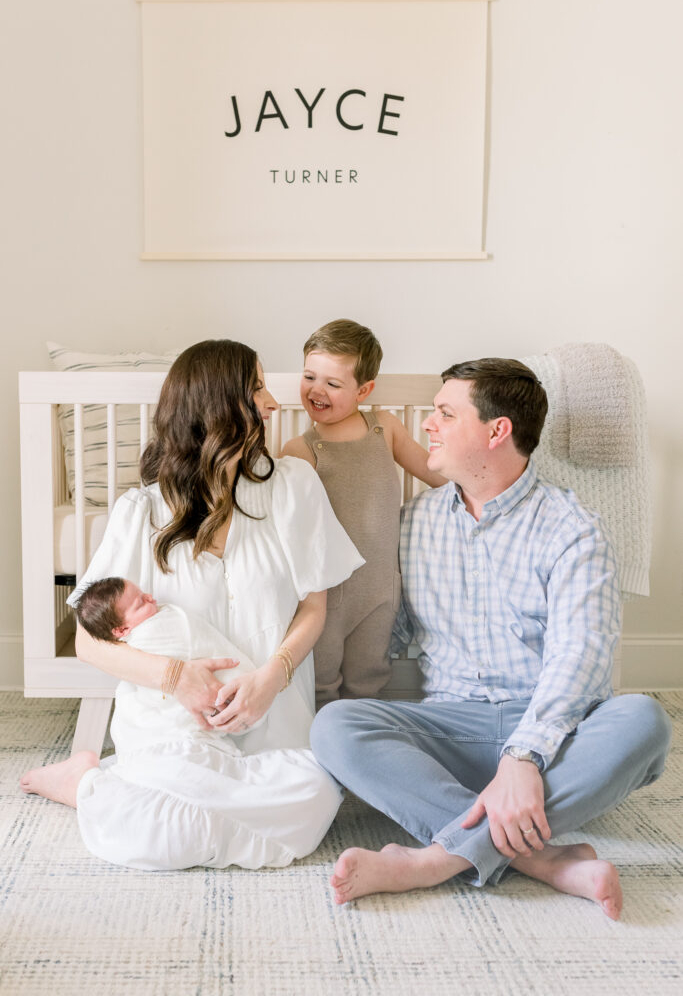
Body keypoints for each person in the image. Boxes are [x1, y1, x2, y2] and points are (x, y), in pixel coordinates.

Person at [310, 357, 672, 918]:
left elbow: (583, 657)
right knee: (336, 725)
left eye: (445, 413)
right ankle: (543, 859)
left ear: (496, 430)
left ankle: (435, 859)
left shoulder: (572, 529)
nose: (428, 424)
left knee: (644, 722)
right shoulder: (414, 523)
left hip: (552, 737)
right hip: (451, 731)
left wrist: (525, 757)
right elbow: (385, 625)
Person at [21, 339, 364, 871]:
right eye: (256, 389)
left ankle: (93, 786)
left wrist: (272, 677)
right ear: (217, 407)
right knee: (154, 833)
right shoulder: (141, 511)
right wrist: (175, 676)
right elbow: (89, 640)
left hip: (272, 728)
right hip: (175, 738)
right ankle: (90, 783)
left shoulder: (295, 486)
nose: (273, 402)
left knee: (318, 793)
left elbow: (313, 608)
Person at [281, 319, 444, 705]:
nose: (316, 391)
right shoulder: (300, 450)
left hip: (379, 587)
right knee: (321, 679)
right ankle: (318, 748)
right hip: (325, 591)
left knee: (369, 679)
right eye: (309, 376)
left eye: (333, 384)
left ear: (364, 390)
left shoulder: (383, 428)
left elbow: (431, 469)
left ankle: (366, 744)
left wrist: (477, 485)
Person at [72, 576, 268, 755]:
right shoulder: (145, 636)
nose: (150, 597)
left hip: (237, 696)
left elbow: (188, 638)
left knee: (133, 707)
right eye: (141, 602)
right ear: (122, 629)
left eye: (143, 593)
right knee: (129, 697)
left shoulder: (162, 625)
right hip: (231, 699)